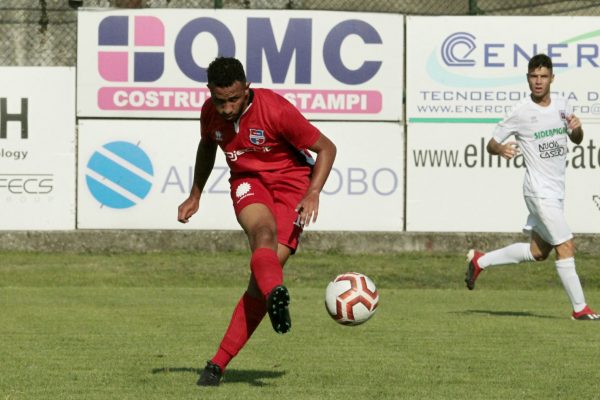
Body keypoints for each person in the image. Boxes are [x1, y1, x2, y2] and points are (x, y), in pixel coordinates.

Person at [177, 57, 337, 386]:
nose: (226, 108)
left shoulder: (276, 110)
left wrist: (314, 192)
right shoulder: (210, 112)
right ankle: (276, 293)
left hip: (292, 185)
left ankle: (218, 363)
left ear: (246, 90)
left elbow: (327, 148)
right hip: (248, 181)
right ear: (210, 92)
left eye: (233, 99)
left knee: (258, 283)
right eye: (219, 100)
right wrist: (195, 194)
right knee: (261, 234)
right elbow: (207, 147)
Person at [464, 53, 599, 321]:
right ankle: (580, 308)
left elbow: (577, 139)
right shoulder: (521, 111)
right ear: (528, 79)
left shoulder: (563, 104)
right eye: (534, 77)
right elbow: (492, 143)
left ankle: (480, 261)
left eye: (543, 76)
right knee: (566, 245)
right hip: (538, 191)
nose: (538, 82)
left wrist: (576, 129)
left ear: (551, 79)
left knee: (538, 252)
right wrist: (500, 148)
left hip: (556, 191)